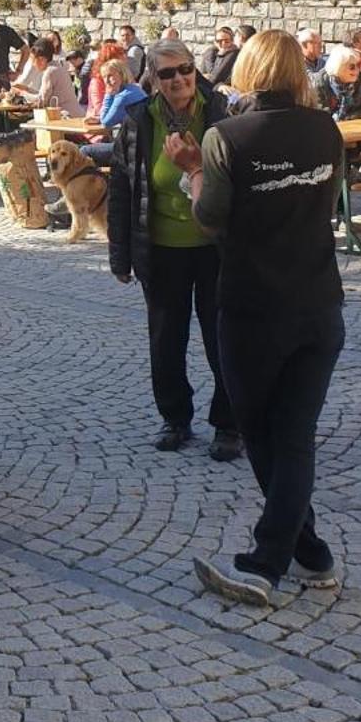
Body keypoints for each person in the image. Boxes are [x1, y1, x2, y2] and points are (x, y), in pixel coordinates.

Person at [179, 31, 345, 607]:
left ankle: (266, 562)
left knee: (262, 434)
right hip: (320, 302)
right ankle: (313, 553)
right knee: (293, 437)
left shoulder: (226, 136)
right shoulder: (325, 128)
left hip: (255, 306)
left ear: (247, 68)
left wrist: (191, 170)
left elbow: (210, 220)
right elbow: (326, 207)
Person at [107, 38, 240, 460]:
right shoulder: (139, 121)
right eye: (168, 73)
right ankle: (175, 418)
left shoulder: (219, 111)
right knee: (166, 340)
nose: (180, 78)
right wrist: (120, 255)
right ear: (153, 79)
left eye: (185, 69)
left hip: (215, 246)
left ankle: (228, 423)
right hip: (161, 248)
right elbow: (121, 189)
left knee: (222, 340)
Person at [14, 38, 83, 114]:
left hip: (66, 116)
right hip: (74, 112)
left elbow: (42, 101)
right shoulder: (57, 67)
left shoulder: (50, 72)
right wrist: (27, 89)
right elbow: (45, 94)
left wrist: (22, 94)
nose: (33, 64)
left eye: (33, 60)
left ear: (42, 59)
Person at [317, 45, 361, 121]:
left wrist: (353, 116)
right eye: (352, 67)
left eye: (358, 66)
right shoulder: (320, 82)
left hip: (354, 127)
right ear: (338, 67)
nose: (356, 70)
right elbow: (318, 112)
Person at [84, 41, 127, 121]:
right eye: (120, 58)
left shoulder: (123, 77)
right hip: (97, 128)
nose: (125, 60)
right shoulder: (96, 82)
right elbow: (100, 110)